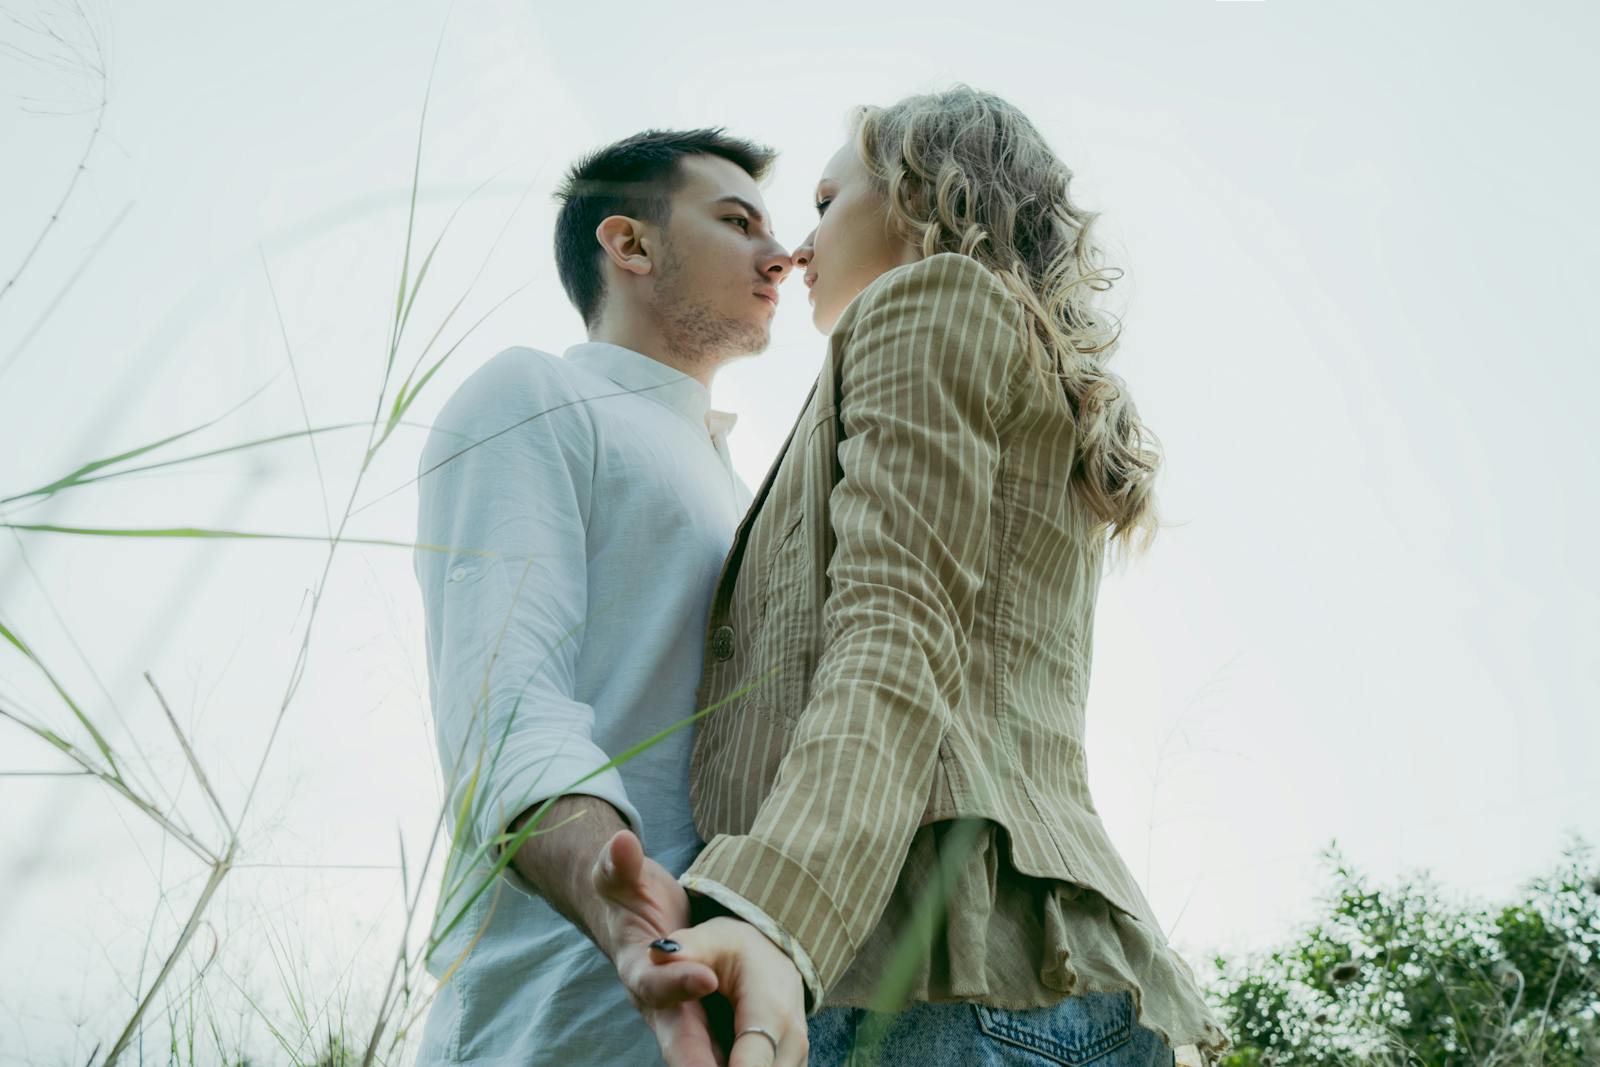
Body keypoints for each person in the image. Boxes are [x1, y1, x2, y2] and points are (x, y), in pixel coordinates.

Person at [603, 87, 1235, 1067]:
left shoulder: (926, 300)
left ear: (916, 190)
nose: (796, 247)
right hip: (1028, 982)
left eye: (823, 201)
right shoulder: (998, 343)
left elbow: (897, 630)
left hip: (929, 978)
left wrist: (773, 908)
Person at [411, 127, 793, 1066]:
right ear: (630, 245)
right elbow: (507, 703)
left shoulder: (740, 489)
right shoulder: (533, 394)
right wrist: (613, 896)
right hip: (557, 1010)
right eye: (737, 221)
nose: (780, 256)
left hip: (733, 1010)